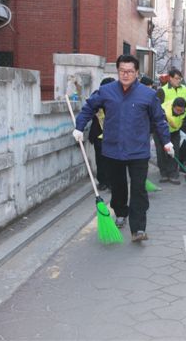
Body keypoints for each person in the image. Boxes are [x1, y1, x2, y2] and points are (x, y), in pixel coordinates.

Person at [72, 55, 173, 242]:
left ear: (137, 73)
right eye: (122, 71)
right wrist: (79, 127)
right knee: (118, 187)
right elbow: (88, 108)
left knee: (138, 190)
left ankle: (139, 229)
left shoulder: (147, 95)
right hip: (113, 149)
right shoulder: (106, 91)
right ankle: (120, 212)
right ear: (118, 71)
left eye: (130, 71)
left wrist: (166, 141)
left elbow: (159, 119)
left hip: (138, 150)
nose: (125, 75)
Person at [157, 97, 186, 185]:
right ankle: (164, 173)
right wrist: (167, 143)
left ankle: (173, 174)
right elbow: (161, 126)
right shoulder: (163, 111)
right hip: (160, 132)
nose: (179, 112)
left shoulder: (184, 109)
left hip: (175, 131)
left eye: (181, 110)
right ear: (173, 107)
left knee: (175, 151)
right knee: (161, 152)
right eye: (177, 110)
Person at [88, 77, 115, 191]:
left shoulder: (115, 98)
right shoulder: (96, 98)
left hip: (111, 135)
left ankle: (110, 182)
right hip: (99, 134)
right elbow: (89, 112)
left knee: (111, 160)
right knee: (100, 159)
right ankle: (103, 181)